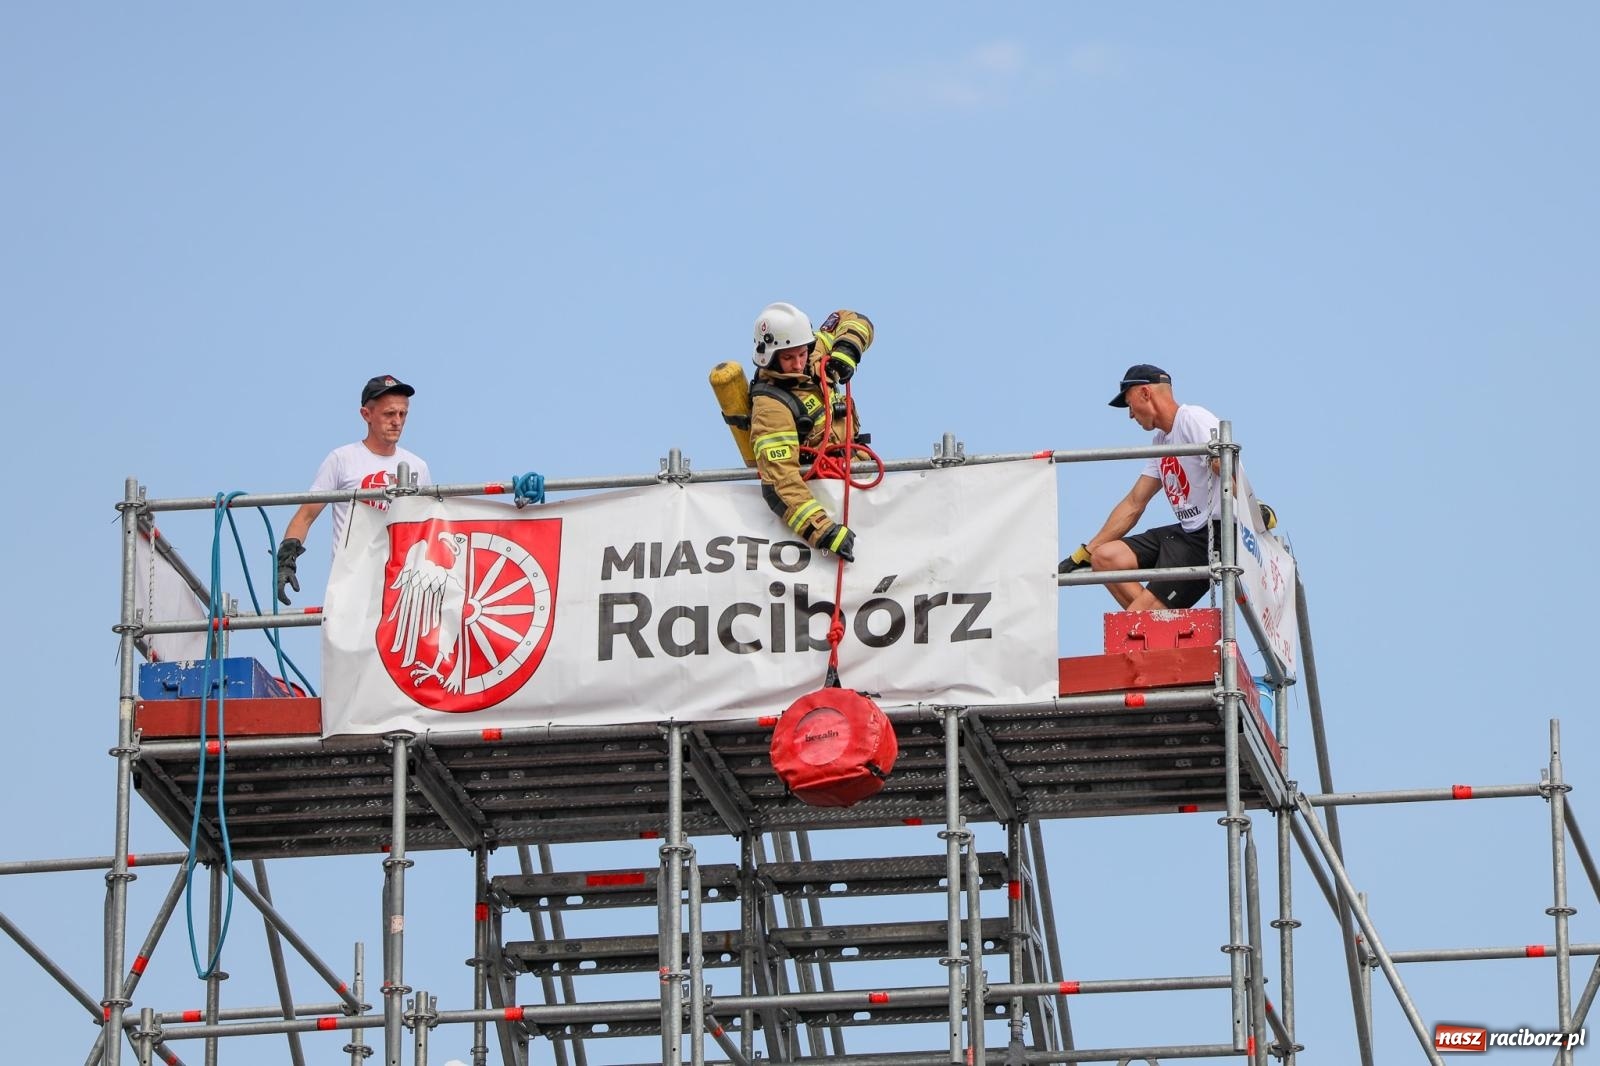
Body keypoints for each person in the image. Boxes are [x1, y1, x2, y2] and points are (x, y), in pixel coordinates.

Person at [1060, 364, 1235, 611]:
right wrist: (1086, 552)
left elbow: (1227, 467)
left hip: (1212, 535)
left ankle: (1152, 622)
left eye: (1129, 404)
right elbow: (1134, 502)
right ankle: (1161, 624)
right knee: (1106, 558)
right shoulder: (1160, 441)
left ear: (1145, 393)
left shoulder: (1191, 418)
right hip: (1187, 533)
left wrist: (1254, 510)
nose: (1130, 414)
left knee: (1137, 619)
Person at [276, 374, 432, 604]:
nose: (397, 421)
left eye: (403, 414)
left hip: (401, 586)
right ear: (366, 415)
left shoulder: (417, 466)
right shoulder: (342, 459)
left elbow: (428, 527)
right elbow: (306, 515)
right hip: (353, 584)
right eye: (389, 414)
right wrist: (286, 562)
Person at [748, 301, 873, 562]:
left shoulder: (814, 351)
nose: (797, 363)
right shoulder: (770, 406)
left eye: (802, 354)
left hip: (859, 479)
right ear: (770, 356)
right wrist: (825, 532)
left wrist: (846, 350)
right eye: (788, 358)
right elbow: (780, 482)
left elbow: (850, 317)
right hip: (825, 497)